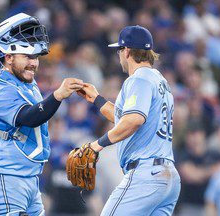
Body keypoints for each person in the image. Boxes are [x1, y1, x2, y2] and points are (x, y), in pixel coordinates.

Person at [0, 13, 84, 216]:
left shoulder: (25, 82)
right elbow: (29, 117)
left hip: (26, 178)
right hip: (3, 176)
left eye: (35, 57)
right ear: (8, 57)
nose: (34, 63)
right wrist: (58, 95)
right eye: (28, 57)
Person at [76, 25, 181, 215]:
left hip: (146, 175)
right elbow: (125, 119)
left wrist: (96, 145)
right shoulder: (160, 81)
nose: (118, 54)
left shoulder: (138, 79)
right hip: (167, 176)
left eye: (119, 49)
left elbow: (133, 120)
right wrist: (98, 100)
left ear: (126, 51)